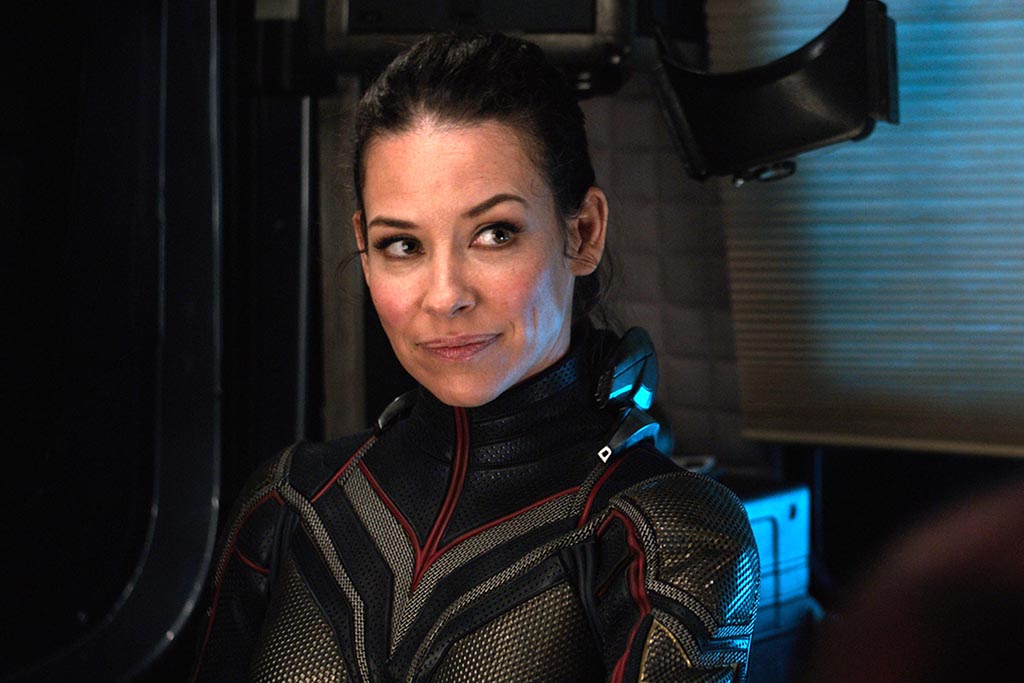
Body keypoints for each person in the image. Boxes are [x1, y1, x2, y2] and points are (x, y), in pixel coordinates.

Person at [192, 32, 758, 682]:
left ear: (583, 233)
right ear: (365, 252)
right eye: (403, 245)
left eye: (494, 234)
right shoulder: (289, 503)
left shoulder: (663, 535)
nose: (445, 295)